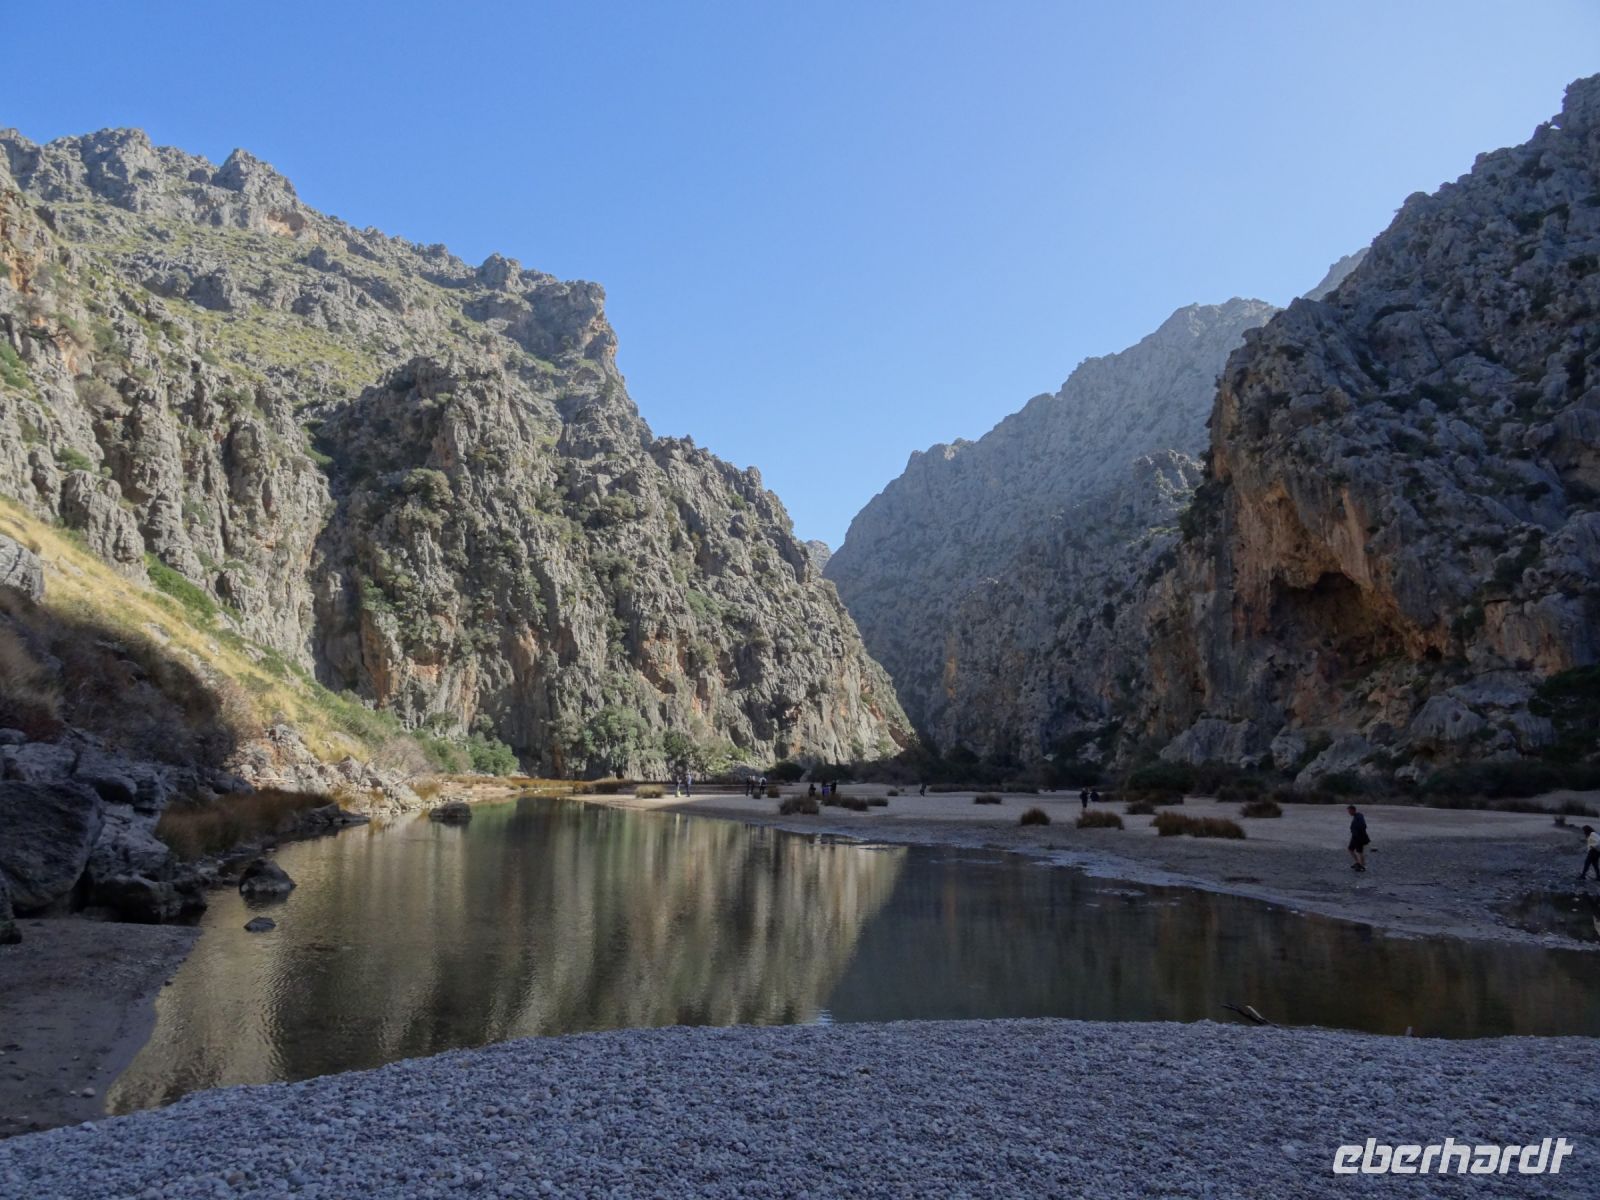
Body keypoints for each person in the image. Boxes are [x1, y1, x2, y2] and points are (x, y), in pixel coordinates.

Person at [1347, 805, 1370, 871]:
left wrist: (1358, 833)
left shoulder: (1359, 816)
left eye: (1349, 811)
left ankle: (1362, 866)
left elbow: (1363, 826)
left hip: (1359, 837)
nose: (1349, 813)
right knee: (1350, 849)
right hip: (1355, 837)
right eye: (1348, 811)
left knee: (1360, 852)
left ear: (1353, 810)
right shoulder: (1356, 816)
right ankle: (1358, 862)